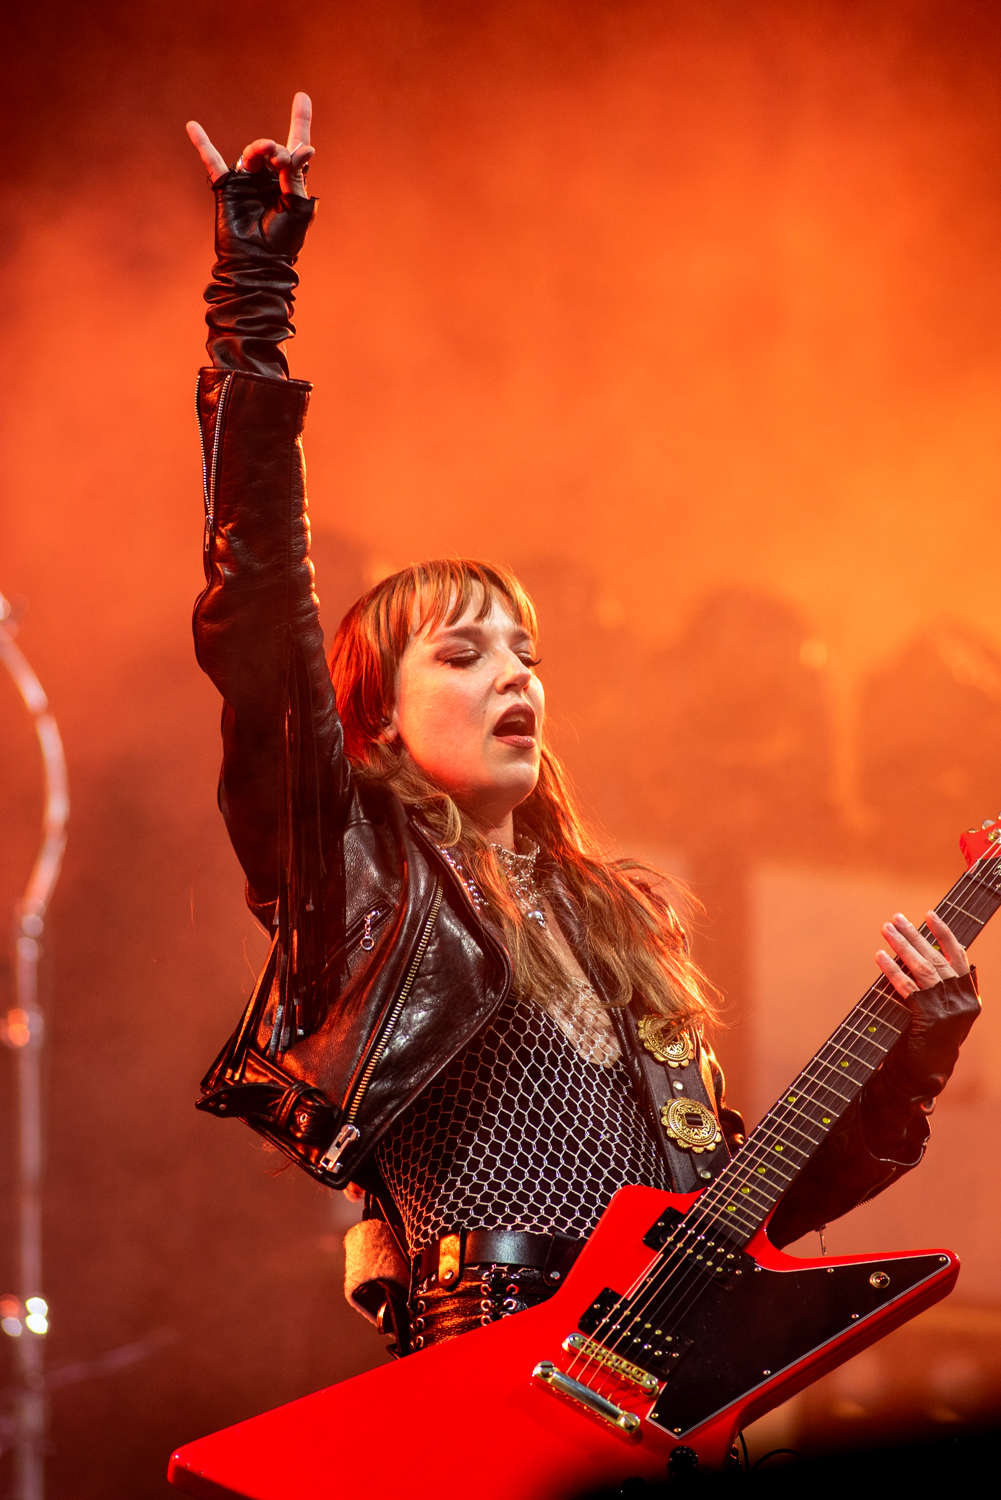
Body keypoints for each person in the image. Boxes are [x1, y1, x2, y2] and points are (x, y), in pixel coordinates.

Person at [185, 95, 981, 1356]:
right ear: (372, 726)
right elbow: (262, 611)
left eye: (526, 654)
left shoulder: (618, 921)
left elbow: (742, 1220)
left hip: (644, 1392)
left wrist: (920, 1045)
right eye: (462, 654)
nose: (513, 676)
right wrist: (252, 302)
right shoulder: (358, 875)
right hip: (479, 1373)